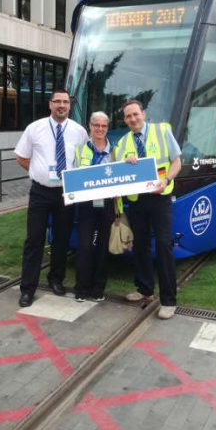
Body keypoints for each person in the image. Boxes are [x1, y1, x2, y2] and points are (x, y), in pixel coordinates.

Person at [14, 89, 88, 307]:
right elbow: (21, 157)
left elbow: (84, 160)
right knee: (34, 239)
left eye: (65, 102)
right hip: (40, 192)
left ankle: (56, 279)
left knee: (61, 239)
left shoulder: (79, 132)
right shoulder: (34, 128)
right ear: (50, 104)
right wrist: (39, 173)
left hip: (66, 192)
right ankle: (28, 289)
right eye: (57, 101)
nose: (61, 105)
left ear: (69, 106)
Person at [113, 99, 182, 319]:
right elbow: (117, 171)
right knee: (140, 245)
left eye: (135, 114)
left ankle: (169, 300)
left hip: (160, 198)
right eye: (128, 116)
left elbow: (177, 162)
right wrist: (125, 161)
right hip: (136, 201)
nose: (132, 119)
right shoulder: (123, 143)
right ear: (125, 120)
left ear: (143, 114)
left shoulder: (162, 131)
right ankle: (145, 289)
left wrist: (166, 180)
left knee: (163, 245)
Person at [71, 111, 115, 302]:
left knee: (103, 247)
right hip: (86, 204)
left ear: (107, 128)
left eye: (103, 126)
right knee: (85, 245)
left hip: (107, 203)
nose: (99, 129)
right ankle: (81, 288)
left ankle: (98, 289)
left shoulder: (115, 152)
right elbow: (72, 175)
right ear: (90, 126)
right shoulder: (80, 150)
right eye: (96, 125)